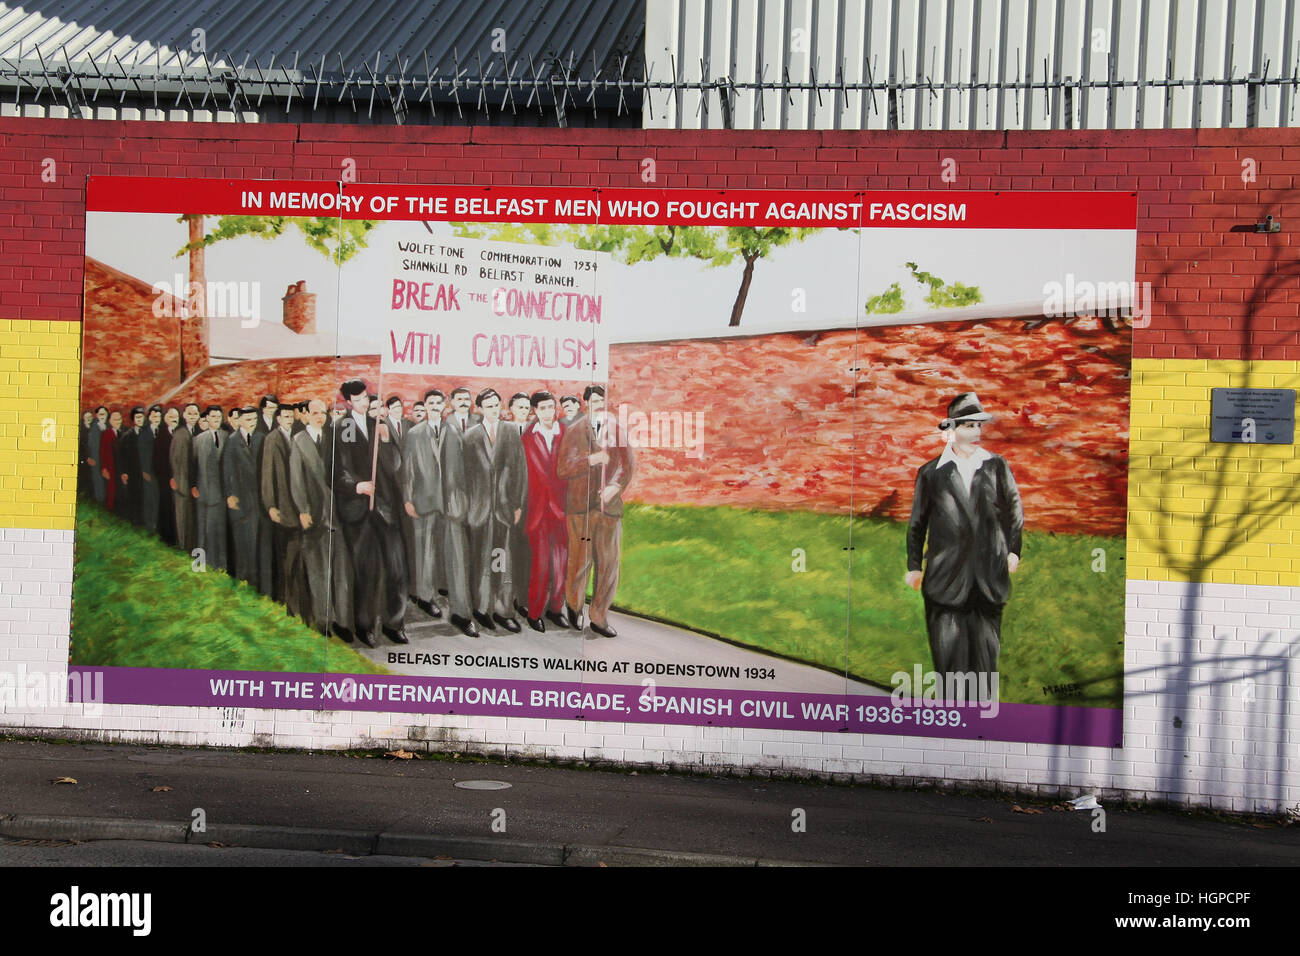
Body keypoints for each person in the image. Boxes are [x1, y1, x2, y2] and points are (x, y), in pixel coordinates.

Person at [905, 392, 1023, 683]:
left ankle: (982, 722)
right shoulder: (931, 474)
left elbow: (1014, 510)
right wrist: (914, 566)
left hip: (989, 579)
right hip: (945, 580)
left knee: (984, 664)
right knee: (948, 663)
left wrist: (1013, 551)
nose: (975, 432)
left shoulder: (996, 467)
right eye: (968, 426)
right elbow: (917, 522)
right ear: (951, 430)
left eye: (978, 426)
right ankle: (952, 719)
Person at [557, 385, 634, 638]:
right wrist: (588, 460)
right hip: (580, 508)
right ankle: (575, 607)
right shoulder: (574, 429)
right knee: (580, 561)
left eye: (602, 400)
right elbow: (563, 469)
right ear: (586, 403)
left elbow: (627, 464)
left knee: (608, 565)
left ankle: (599, 617)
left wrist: (615, 486)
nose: (598, 404)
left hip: (609, 508)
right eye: (594, 401)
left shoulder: (617, 428)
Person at [463, 389, 527, 633]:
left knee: (502, 558)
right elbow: (464, 476)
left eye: (496, 405)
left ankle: (503, 610)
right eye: (488, 406)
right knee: (481, 560)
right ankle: (481, 608)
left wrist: (518, 504)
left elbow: (520, 470)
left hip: (503, 508)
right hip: (479, 510)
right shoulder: (470, 436)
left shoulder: (510, 432)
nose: (493, 409)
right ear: (479, 408)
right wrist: (469, 505)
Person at [290, 398, 354, 641]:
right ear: (306, 415)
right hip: (314, 515)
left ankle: (343, 621)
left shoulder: (332, 438)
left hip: (337, 514)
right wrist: (302, 510)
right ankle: (323, 619)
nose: (319, 417)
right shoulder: (299, 441)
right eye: (314, 413)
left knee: (341, 569)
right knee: (318, 569)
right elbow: (296, 479)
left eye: (323, 413)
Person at [522, 391, 568, 632]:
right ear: (535, 411)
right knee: (540, 565)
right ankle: (535, 613)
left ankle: (556, 609)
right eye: (544, 408)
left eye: (552, 407)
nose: (549, 412)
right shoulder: (528, 437)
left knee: (561, 564)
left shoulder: (566, 434)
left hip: (562, 510)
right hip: (538, 511)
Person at [402, 390, 447, 620]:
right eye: (431, 403)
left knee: (440, 549)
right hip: (423, 499)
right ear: (425, 406)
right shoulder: (415, 433)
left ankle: (436, 590)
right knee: (424, 551)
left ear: (444, 405)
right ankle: (424, 597)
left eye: (439, 402)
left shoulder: (451, 430)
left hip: (446, 501)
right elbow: (408, 469)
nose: (436, 406)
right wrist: (408, 499)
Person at [262, 403, 306, 615]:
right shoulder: (272, 439)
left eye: (291, 416)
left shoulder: (298, 436)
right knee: (284, 559)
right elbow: (267, 474)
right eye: (285, 416)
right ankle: (285, 601)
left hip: (297, 506)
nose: (288, 419)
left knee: (296, 558)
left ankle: (294, 602)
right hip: (282, 507)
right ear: (278, 419)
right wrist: (270, 505)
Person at [193, 405, 229, 571]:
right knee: (202, 530)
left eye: (218, 417)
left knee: (219, 530)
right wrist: (194, 486)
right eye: (213, 417)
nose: (216, 420)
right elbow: (192, 465)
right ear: (206, 418)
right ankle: (199, 564)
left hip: (221, 492)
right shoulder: (199, 439)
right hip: (203, 491)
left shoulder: (226, 437)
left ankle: (219, 565)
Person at [171, 403, 201, 552]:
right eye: (190, 414)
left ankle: (189, 548)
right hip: (183, 485)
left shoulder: (195, 432)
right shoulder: (181, 434)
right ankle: (183, 548)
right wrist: (185, 487)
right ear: (184, 415)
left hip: (191, 484)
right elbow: (178, 463)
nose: (193, 417)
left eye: (195, 414)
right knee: (183, 519)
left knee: (190, 521)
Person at [153, 407, 180, 546]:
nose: (174, 419)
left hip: (177, 479)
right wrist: (169, 477)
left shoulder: (178, 433)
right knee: (166, 507)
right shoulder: (161, 436)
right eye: (171, 417)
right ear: (165, 419)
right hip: (165, 479)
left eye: (176, 416)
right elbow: (159, 461)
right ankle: (166, 537)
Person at [138, 405, 163, 533]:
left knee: (159, 497)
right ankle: (149, 525)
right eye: (154, 416)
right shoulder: (144, 433)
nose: (156, 418)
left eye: (158, 416)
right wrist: (145, 471)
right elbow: (142, 454)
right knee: (149, 498)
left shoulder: (163, 431)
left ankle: (158, 524)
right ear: (149, 417)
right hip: (148, 472)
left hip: (160, 472)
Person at [98, 409, 123, 511]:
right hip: (110, 466)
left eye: (119, 419)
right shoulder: (106, 434)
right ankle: (110, 509)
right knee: (111, 488)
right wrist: (104, 468)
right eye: (115, 419)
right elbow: (102, 451)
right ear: (110, 421)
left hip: (120, 466)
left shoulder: (123, 433)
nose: (117, 421)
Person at [87, 406, 108, 503]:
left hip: (107, 457)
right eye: (100, 414)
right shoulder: (93, 427)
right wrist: (91, 457)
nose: (102, 416)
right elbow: (90, 444)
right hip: (96, 458)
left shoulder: (109, 425)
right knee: (98, 478)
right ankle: (100, 500)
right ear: (96, 415)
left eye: (104, 414)